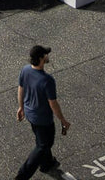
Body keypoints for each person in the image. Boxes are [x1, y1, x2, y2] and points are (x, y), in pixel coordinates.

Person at [14, 45, 72, 180]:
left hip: (30, 114)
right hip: (43, 119)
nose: (47, 56)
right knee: (44, 144)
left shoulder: (26, 70)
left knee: (41, 140)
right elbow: (53, 104)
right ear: (41, 59)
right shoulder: (47, 80)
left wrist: (21, 107)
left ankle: (47, 163)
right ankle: (22, 176)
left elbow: (20, 88)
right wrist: (63, 120)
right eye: (46, 55)